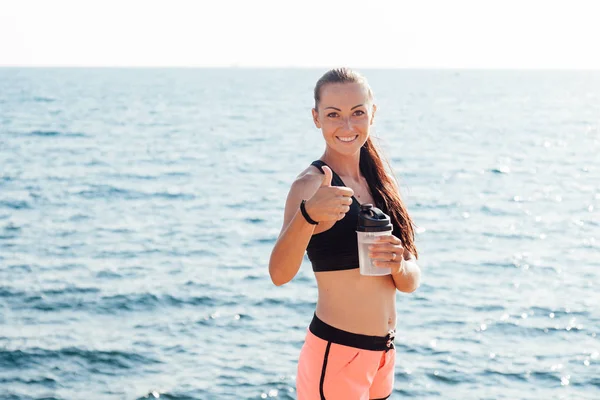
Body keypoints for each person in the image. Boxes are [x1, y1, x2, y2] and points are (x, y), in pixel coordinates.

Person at [268, 68, 421, 400]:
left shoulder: (381, 184)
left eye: (358, 113)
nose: (347, 126)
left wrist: (398, 264)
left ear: (373, 113)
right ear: (316, 118)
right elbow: (279, 274)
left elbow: (410, 281)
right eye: (334, 115)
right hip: (337, 354)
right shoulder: (310, 184)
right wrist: (308, 216)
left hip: (382, 356)